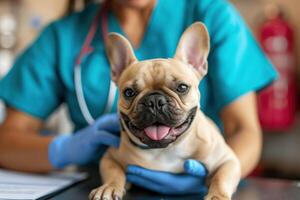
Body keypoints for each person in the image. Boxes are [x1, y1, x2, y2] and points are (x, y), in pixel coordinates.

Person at [0, 0, 276, 195]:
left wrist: (217, 181)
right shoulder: (62, 35)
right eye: (131, 92)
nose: (156, 103)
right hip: (101, 184)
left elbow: (244, 130)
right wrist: (65, 148)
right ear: (116, 72)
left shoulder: (210, 13)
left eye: (179, 88)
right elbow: (6, 143)